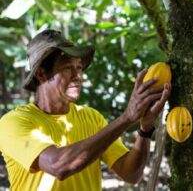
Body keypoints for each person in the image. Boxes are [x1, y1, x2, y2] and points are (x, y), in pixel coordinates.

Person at [0, 29, 170, 191]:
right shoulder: (12, 123)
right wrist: (126, 118)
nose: (78, 76)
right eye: (67, 68)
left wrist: (145, 129)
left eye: (79, 67)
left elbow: (131, 174)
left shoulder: (91, 118)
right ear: (41, 74)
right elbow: (59, 166)